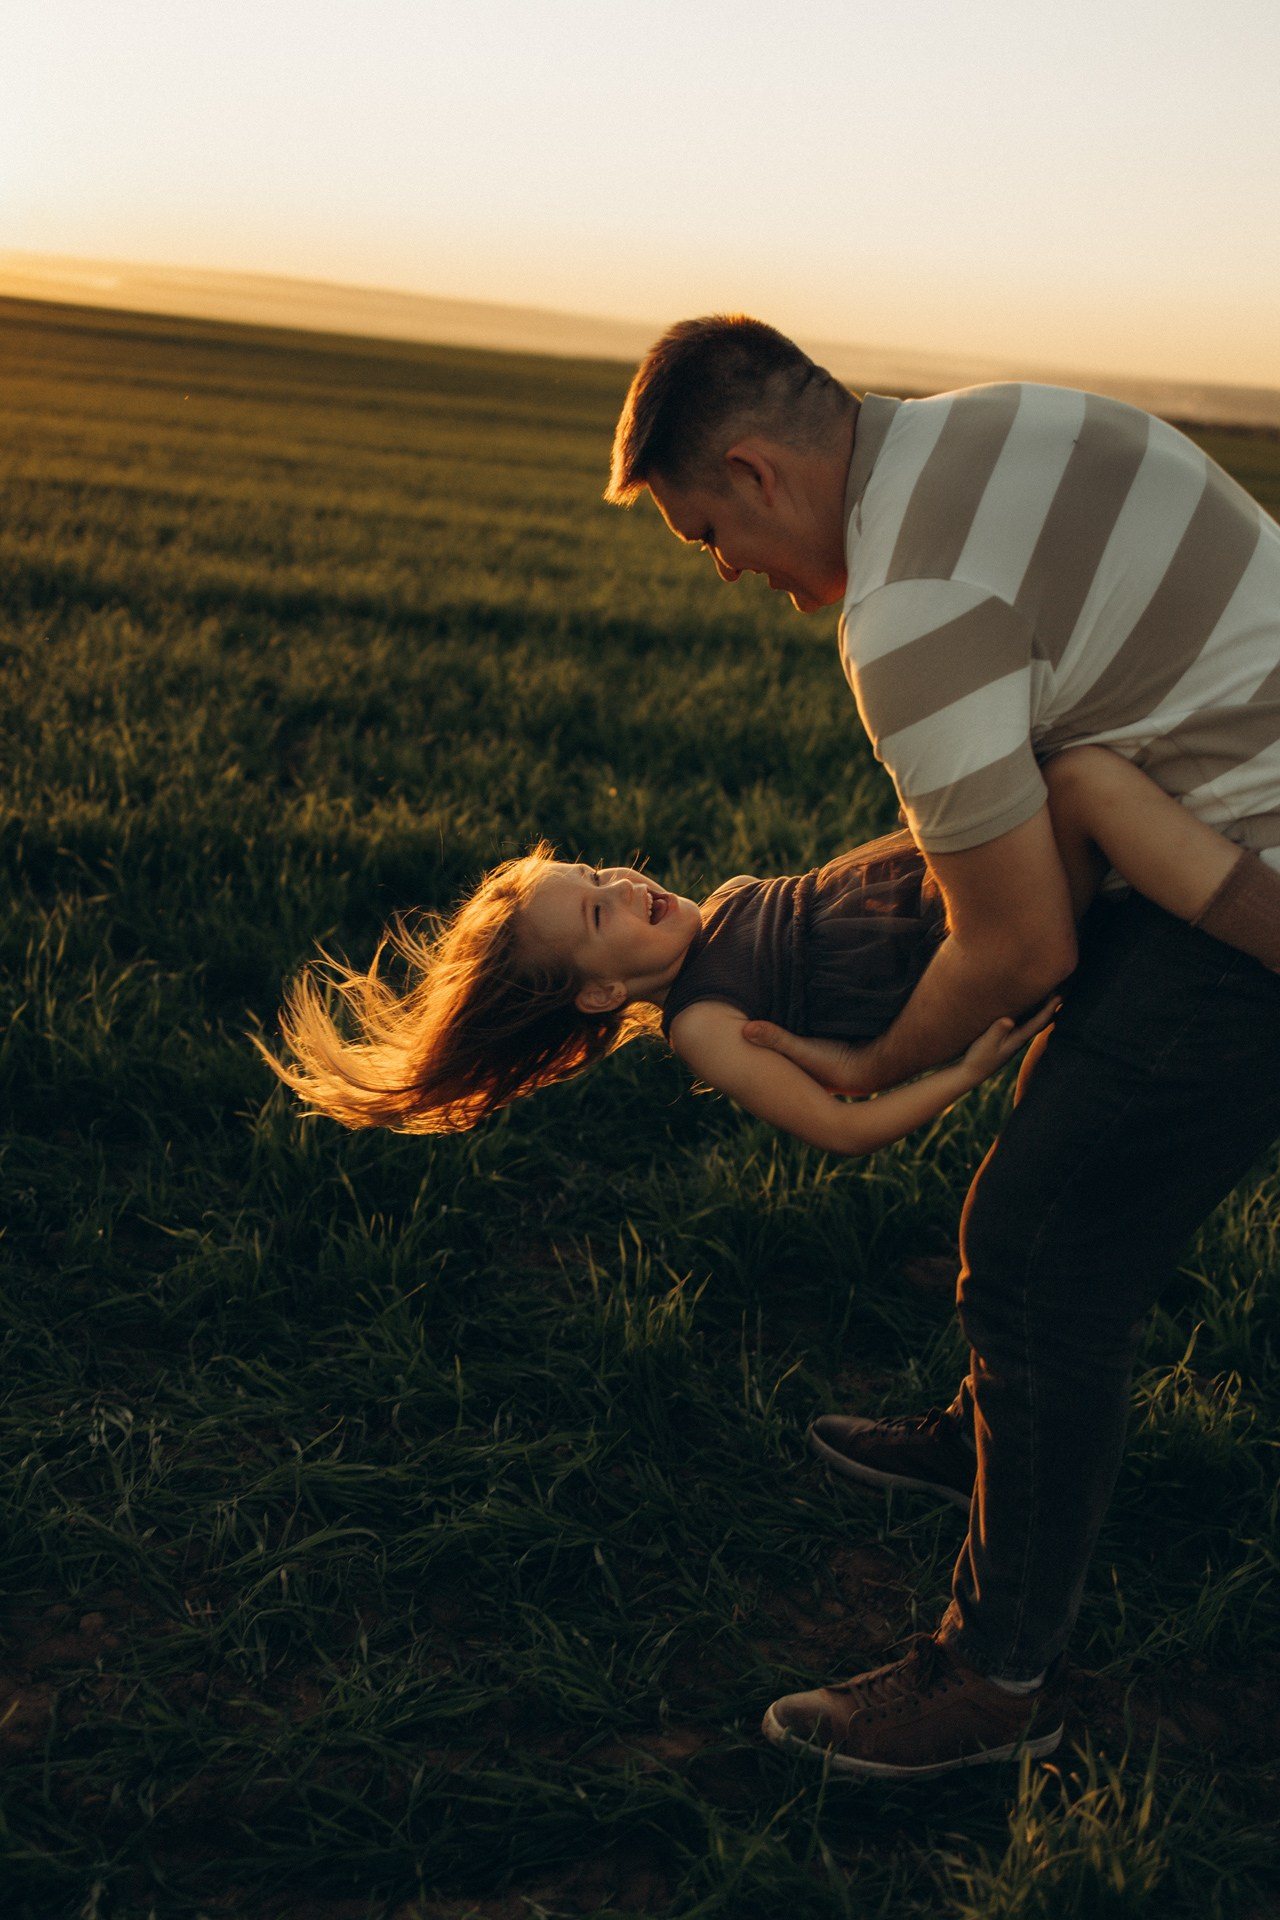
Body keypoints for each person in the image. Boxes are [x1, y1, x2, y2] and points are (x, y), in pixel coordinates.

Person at [605, 315, 1280, 1779]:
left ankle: (995, 1683)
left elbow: (1018, 947)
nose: (726, 568)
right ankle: (998, 1438)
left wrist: (872, 1064)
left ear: (754, 471)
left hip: (1249, 902)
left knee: (1037, 1251)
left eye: (707, 531)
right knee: (1055, 1161)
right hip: (1200, 840)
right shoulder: (1001, 422)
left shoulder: (905, 606)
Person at [262, 749, 1277, 1162]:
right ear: (603, 992)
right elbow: (842, 1128)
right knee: (1088, 787)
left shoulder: (726, 909)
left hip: (963, 890)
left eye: (600, 874)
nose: (623, 888)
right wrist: (961, 1068)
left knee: (1097, 774)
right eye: (597, 915)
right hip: (978, 939)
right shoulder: (705, 1024)